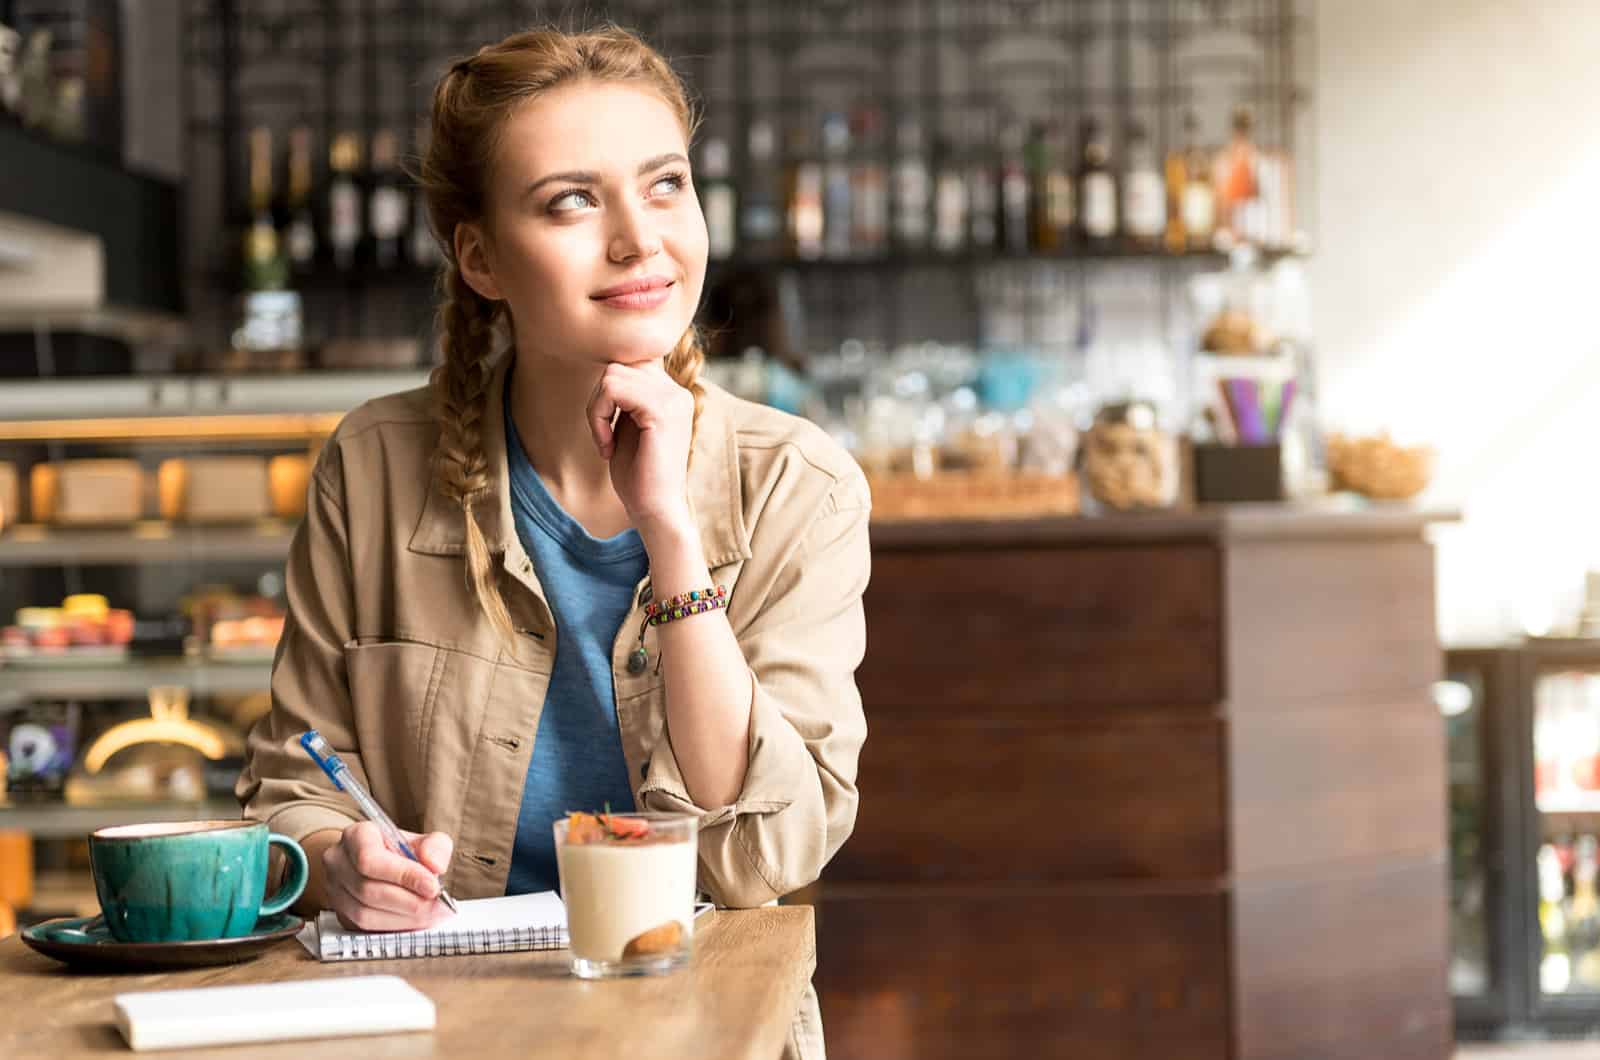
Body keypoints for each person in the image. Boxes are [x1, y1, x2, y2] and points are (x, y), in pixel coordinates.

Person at [236, 25, 869, 1060]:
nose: (638, 240)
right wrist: (332, 856)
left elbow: (760, 851)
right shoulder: (374, 467)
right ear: (479, 257)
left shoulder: (798, 484)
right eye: (571, 201)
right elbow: (291, 780)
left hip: (700, 1026)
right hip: (428, 1025)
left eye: (665, 185)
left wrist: (669, 530)